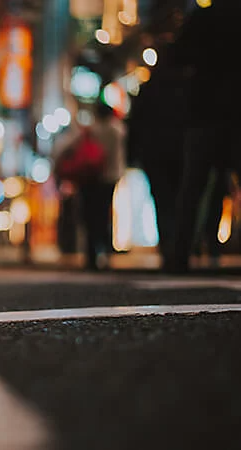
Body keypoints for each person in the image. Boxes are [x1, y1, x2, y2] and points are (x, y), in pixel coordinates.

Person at [164, 0, 241, 273]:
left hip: (204, 112)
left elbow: (176, 56)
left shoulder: (203, 18)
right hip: (235, 112)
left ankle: (180, 254)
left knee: (193, 186)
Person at [126, 42, 188, 262]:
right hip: (180, 150)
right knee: (180, 197)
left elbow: (135, 124)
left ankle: (169, 246)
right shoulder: (184, 87)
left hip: (154, 153)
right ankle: (182, 246)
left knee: (162, 200)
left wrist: (132, 153)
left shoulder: (149, 89)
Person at [55, 101, 126, 271]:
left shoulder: (92, 130)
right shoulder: (118, 130)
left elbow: (67, 147)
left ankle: (91, 254)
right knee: (104, 215)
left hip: (90, 176)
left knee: (89, 216)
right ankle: (106, 253)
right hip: (110, 176)